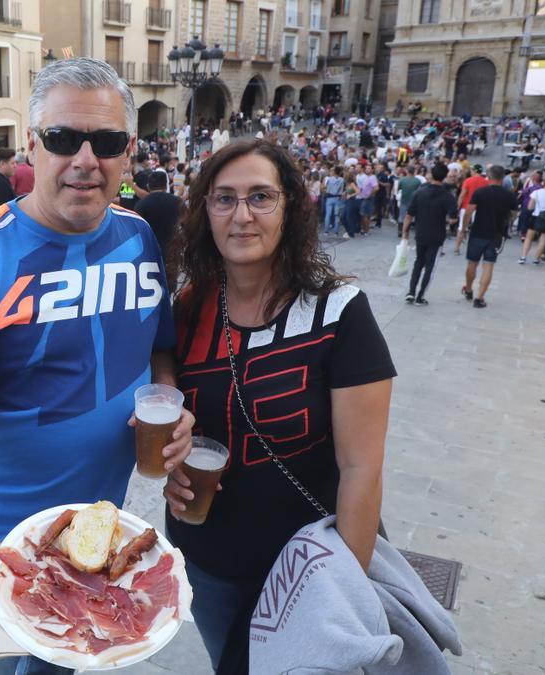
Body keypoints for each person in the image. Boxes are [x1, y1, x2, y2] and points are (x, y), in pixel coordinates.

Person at [0, 57, 193, 675]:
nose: (86, 158)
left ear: (129, 151)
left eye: (107, 141)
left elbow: (158, 346)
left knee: (65, 664)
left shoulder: (140, 238)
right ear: (33, 145)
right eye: (63, 139)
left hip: (97, 531)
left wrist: (170, 402)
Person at [163, 138, 395, 674]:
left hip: (307, 568)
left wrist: (344, 594)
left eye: (260, 197)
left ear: (289, 208)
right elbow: (165, 380)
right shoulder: (191, 307)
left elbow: (362, 467)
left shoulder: (338, 313)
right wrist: (172, 461)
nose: (242, 215)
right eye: (224, 199)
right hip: (210, 558)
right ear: (206, 213)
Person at [400, 163, 458, 305]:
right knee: (430, 266)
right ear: (445, 176)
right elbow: (453, 219)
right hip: (437, 235)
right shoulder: (448, 196)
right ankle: (420, 296)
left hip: (421, 233)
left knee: (418, 262)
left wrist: (404, 233)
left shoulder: (419, 192)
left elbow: (409, 215)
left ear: (431, 174)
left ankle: (411, 292)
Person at [462, 165, 512, 308]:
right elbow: (513, 214)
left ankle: (469, 289)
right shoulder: (508, 195)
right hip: (496, 234)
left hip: (478, 232)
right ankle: (479, 298)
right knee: (488, 266)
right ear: (502, 178)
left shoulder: (480, 192)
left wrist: (464, 229)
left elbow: (468, 212)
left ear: (488, 177)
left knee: (472, 263)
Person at [135, 170, 183, 259]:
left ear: (148, 186)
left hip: (149, 252)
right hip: (172, 252)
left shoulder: (141, 204)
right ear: (165, 186)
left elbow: (137, 230)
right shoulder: (177, 202)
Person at [520, 176, 545, 265]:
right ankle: (536, 259)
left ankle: (523, 257)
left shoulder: (536, 192)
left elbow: (530, 206)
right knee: (543, 239)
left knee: (529, 238)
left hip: (536, 216)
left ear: (544, 182)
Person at [453, 164, 489, 255]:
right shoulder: (486, 182)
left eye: (472, 170)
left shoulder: (468, 181)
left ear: (475, 171)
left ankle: (457, 248)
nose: (471, 171)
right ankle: (475, 249)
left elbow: (462, 195)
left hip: (466, 207)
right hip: (480, 208)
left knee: (461, 228)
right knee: (477, 230)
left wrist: (457, 206)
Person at [396, 165, 422, 237]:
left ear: (407, 171)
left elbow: (398, 189)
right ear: (414, 172)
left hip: (404, 199)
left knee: (402, 215)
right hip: (413, 201)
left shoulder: (402, 180)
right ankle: (407, 229)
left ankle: (400, 230)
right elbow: (419, 191)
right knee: (410, 216)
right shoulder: (417, 181)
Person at [322, 165, 344, 234]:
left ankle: (326, 231)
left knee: (328, 214)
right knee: (336, 215)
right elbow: (341, 189)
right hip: (337, 197)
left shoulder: (328, 179)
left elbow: (323, 187)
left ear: (334, 172)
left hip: (329, 197)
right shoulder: (342, 179)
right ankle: (336, 232)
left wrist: (327, 190)